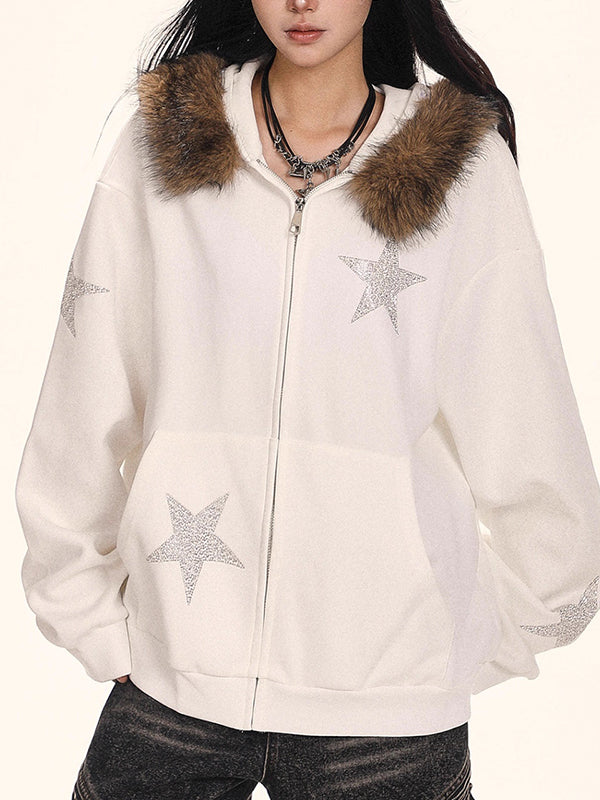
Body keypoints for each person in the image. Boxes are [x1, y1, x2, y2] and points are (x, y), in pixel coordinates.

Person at [14, 1, 600, 798]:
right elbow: (80, 401)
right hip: (170, 692)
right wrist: (93, 620)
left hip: (386, 728)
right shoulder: (167, 142)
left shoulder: (462, 170)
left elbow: (529, 427)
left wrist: (448, 649)